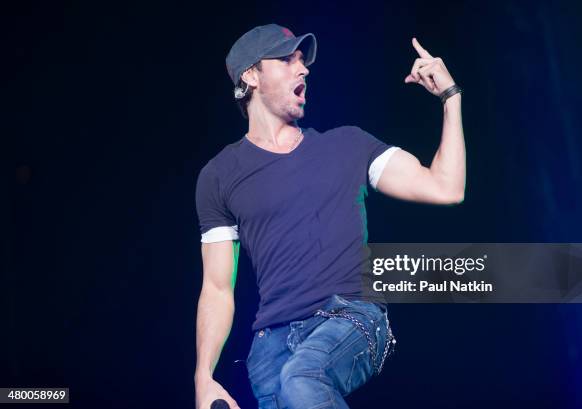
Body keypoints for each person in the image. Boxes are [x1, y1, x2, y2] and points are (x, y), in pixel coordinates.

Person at [194, 23, 465, 409]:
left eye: (303, 62)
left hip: (351, 318)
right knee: (292, 383)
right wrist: (203, 377)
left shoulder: (349, 146)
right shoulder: (219, 176)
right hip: (270, 348)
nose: (303, 69)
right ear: (250, 76)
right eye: (287, 60)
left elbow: (446, 187)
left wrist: (450, 98)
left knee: (302, 380)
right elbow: (218, 289)